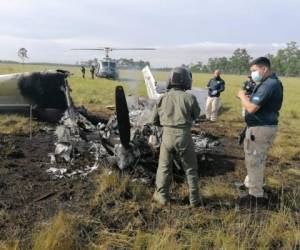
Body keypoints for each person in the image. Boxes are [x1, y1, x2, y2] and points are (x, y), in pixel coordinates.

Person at [150, 67, 201, 207]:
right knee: (190, 169)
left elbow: (153, 120)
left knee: (164, 168)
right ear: (187, 81)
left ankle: (162, 198)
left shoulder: (162, 98)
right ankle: (194, 200)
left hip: (167, 136)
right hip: (184, 136)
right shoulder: (190, 98)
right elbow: (197, 115)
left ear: (170, 80)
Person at [237, 57, 283, 207]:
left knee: (254, 161)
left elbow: (251, 108)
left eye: (254, 70)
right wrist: (250, 99)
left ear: (264, 69)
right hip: (263, 126)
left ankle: (256, 196)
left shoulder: (269, 84)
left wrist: (242, 96)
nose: (253, 74)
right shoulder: (270, 83)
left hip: (260, 128)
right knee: (256, 159)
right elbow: (259, 103)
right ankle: (250, 184)